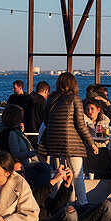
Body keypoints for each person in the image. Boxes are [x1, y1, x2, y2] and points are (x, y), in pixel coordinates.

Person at [38, 72, 97, 205]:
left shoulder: (51, 99)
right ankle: (82, 203)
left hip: (53, 143)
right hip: (72, 144)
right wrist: (91, 143)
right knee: (77, 174)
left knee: (59, 174)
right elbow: (81, 125)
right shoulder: (74, 99)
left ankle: (58, 203)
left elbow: (46, 122)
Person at [24, 162, 111, 221]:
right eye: (20, 171)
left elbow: (57, 207)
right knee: (69, 212)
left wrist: (66, 185)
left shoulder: (43, 195)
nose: (22, 173)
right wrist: (52, 182)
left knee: (107, 206)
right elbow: (32, 202)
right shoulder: (23, 196)